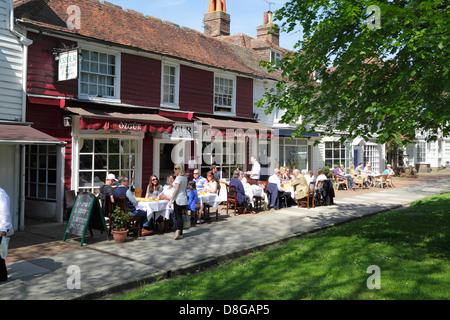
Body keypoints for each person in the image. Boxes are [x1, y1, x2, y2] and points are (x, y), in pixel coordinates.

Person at [169, 164, 188, 240]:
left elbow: (176, 190)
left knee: (176, 216)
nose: (174, 170)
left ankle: (178, 231)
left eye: (176, 169)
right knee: (179, 216)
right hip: (183, 198)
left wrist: (171, 200)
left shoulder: (178, 178)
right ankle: (181, 233)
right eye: (174, 168)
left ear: (180, 169)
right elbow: (185, 189)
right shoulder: (185, 178)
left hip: (178, 199)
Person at [0, 187, 13, 282]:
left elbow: (5, 213)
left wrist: (3, 228)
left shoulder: (1, 194)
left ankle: (2, 276)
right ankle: (2, 276)